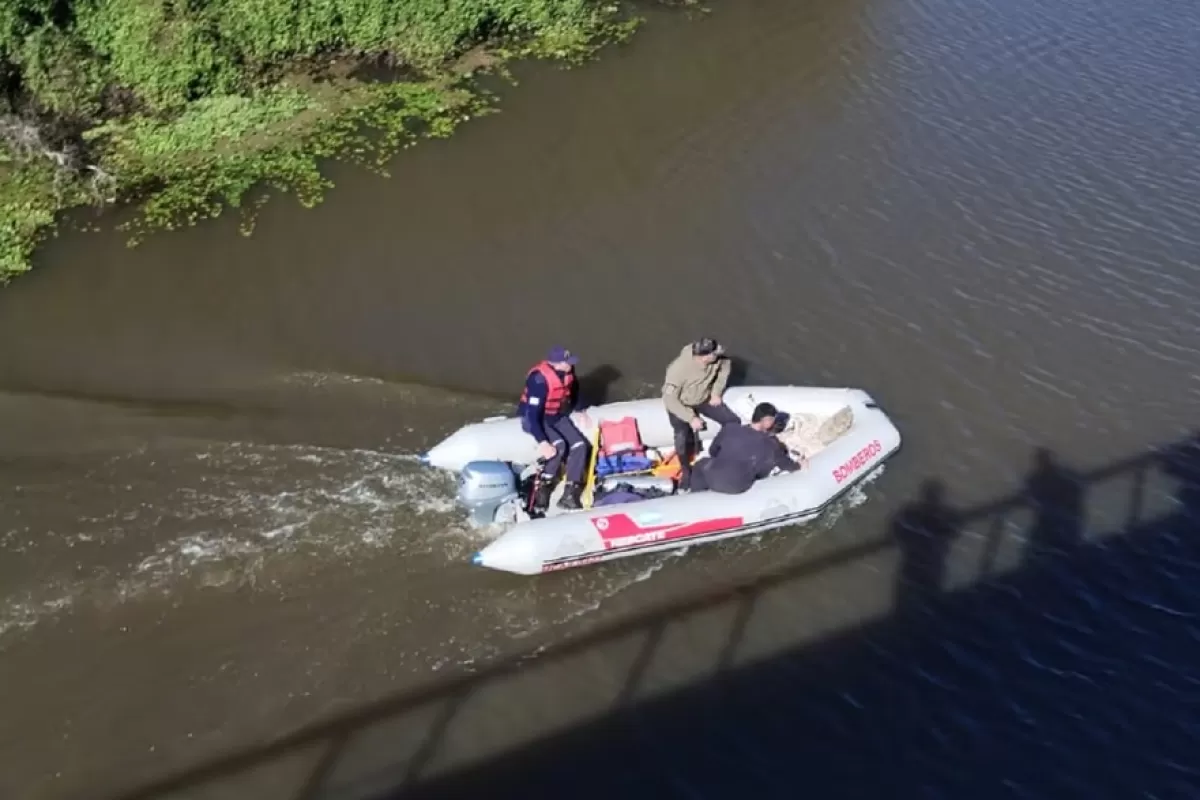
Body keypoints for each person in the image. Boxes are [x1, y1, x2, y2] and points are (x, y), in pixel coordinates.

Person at [517, 346, 591, 510]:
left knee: (580, 445)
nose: (571, 365)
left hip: (555, 415)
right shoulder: (538, 380)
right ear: (556, 364)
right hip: (536, 418)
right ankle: (544, 487)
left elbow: (575, 389)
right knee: (558, 446)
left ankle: (571, 492)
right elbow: (532, 415)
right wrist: (542, 441)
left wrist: (580, 409)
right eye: (567, 362)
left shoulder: (567, 372)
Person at [662, 338, 740, 490]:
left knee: (732, 422)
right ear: (704, 357)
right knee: (681, 436)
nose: (719, 354)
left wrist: (716, 392)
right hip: (681, 403)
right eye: (715, 353)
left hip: (704, 398)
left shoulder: (719, 360)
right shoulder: (678, 369)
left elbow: (725, 369)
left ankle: (718, 452)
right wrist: (691, 418)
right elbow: (669, 399)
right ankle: (686, 469)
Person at [690, 402, 802, 494]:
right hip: (738, 486)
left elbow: (712, 451)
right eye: (773, 420)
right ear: (766, 420)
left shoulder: (730, 428)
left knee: (700, 464)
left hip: (713, 477)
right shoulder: (771, 444)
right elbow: (785, 464)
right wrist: (798, 465)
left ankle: (695, 495)